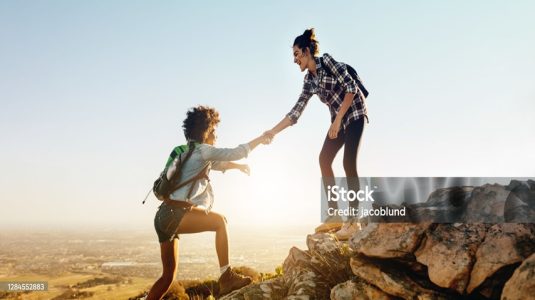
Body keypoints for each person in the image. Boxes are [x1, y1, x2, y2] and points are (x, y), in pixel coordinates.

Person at [147, 105, 269, 300]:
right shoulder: (204, 151)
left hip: (162, 216)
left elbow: (220, 164)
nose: (216, 136)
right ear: (207, 132)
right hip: (175, 214)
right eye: (214, 131)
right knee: (220, 222)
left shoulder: (187, 151)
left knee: (167, 277)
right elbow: (236, 152)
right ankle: (226, 276)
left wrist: (238, 167)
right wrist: (261, 140)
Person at [263, 28, 368, 240]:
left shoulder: (327, 62)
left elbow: (351, 88)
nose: (294, 60)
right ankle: (334, 215)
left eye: (296, 54)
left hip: (354, 113)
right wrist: (273, 131)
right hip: (338, 122)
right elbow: (296, 112)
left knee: (349, 163)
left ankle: (353, 221)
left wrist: (337, 120)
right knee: (324, 159)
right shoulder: (309, 82)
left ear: (307, 51)